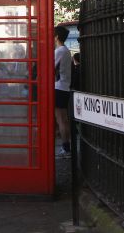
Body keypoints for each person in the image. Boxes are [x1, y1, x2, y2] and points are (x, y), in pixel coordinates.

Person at [54, 25, 73, 158]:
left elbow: (49, 66)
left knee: (61, 119)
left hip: (58, 87)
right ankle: (67, 147)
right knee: (63, 119)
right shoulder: (65, 50)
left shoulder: (59, 51)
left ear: (56, 37)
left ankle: (66, 149)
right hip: (64, 87)